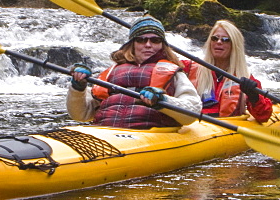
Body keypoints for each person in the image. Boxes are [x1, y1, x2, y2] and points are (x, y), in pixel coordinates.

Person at [67, 16, 202, 129]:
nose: (148, 45)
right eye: (141, 40)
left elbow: (192, 111)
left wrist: (163, 101)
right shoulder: (111, 72)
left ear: (162, 44)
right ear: (132, 43)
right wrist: (78, 88)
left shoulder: (174, 73)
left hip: (149, 135)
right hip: (106, 131)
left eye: (155, 40)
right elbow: (81, 114)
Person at [182, 20, 273, 123]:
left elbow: (263, 116)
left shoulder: (244, 78)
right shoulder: (188, 68)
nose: (219, 42)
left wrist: (254, 96)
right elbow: (165, 61)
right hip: (194, 127)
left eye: (225, 39)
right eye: (215, 38)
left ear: (234, 45)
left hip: (226, 130)